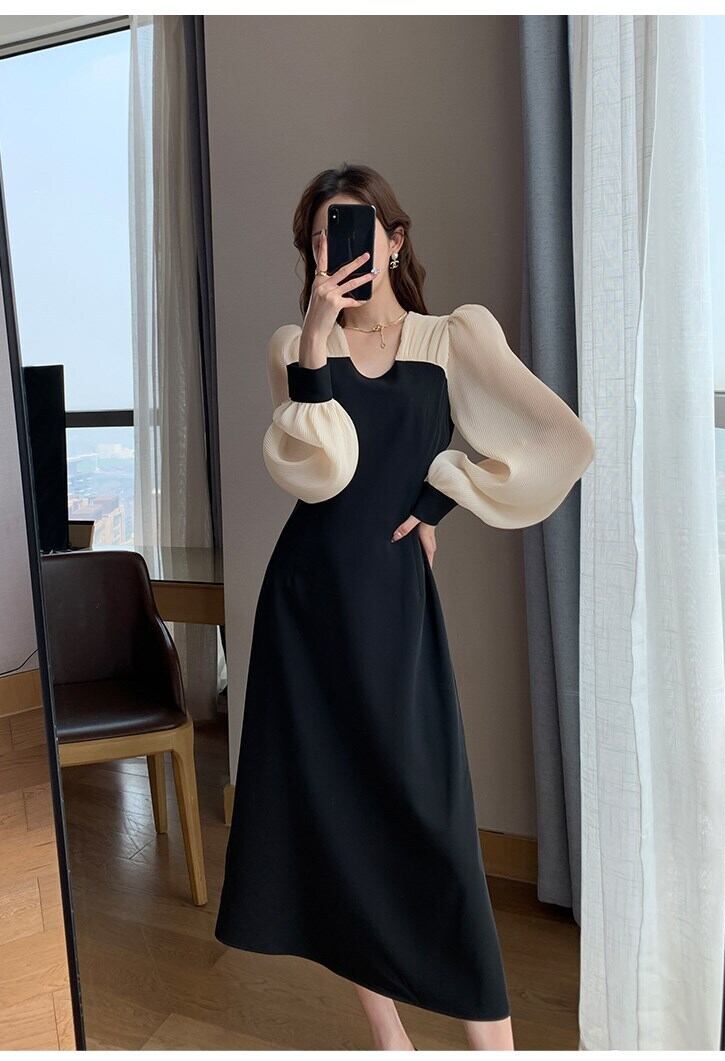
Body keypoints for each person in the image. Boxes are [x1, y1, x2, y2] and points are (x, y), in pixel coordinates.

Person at [215, 163, 595, 1051]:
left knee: (434, 823)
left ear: (393, 239)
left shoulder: (452, 337)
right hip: (308, 609)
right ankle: (390, 1036)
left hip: (393, 607)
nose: (334, 246)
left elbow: (558, 437)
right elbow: (321, 471)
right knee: (335, 819)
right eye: (319, 236)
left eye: (350, 227)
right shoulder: (291, 346)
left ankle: (493, 1045)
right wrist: (317, 344)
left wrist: (438, 498)